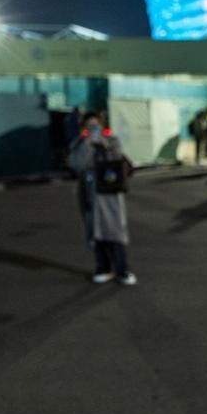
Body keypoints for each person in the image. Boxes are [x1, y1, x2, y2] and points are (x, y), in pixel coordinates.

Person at [67, 112, 136, 286]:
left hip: (110, 194)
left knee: (116, 232)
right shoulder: (79, 144)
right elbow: (76, 165)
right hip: (90, 194)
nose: (93, 129)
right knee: (96, 232)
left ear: (103, 126)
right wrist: (87, 145)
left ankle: (122, 270)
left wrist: (105, 146)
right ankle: (103, 268)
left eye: (96, 125)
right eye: (89, 126)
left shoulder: (112, 141)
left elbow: (118, 162)